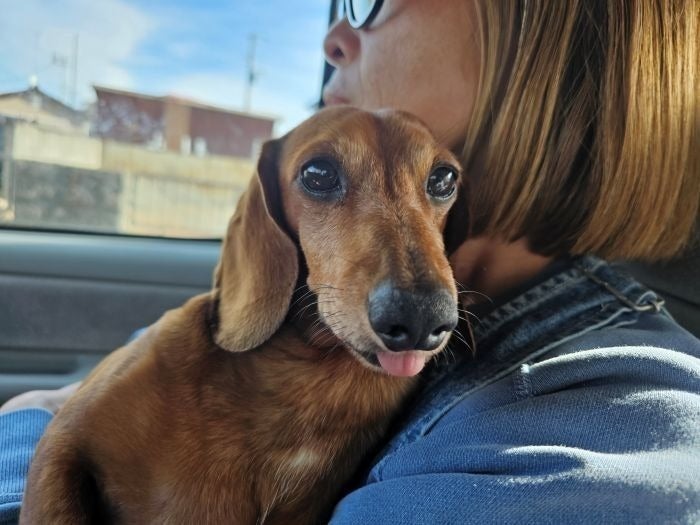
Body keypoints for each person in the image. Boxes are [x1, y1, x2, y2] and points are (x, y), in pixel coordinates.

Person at [2, 0, 699, 523]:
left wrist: (27, 425)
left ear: (553, 37)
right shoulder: (275, 299)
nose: (334, 37)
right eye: (323, 178)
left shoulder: (600, 443)